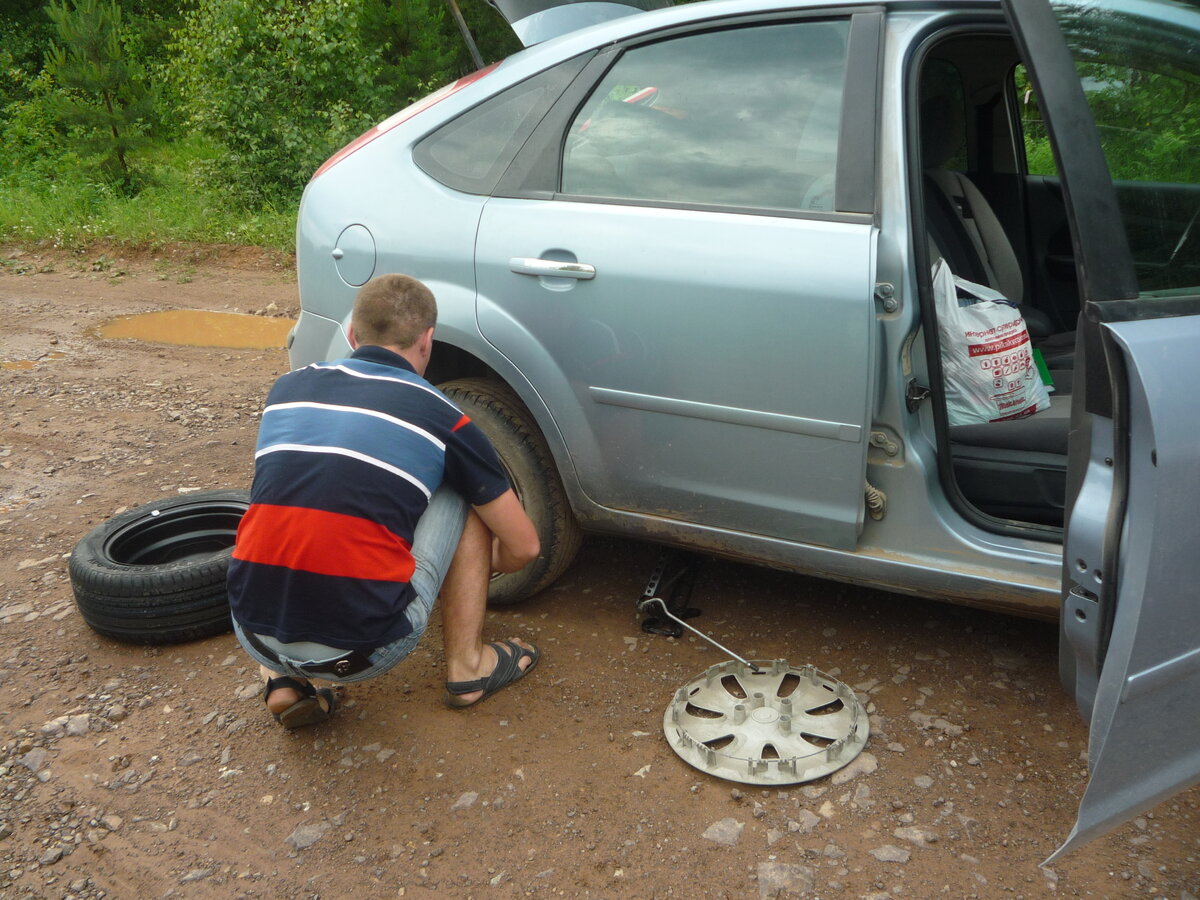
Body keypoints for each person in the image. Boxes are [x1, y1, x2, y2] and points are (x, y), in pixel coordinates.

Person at [226, 273, 542, 729]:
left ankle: (283, 678)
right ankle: (468, 669)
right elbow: (526, 547)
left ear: (353, 334)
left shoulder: (289, 389)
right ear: (427, 341)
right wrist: (474, 562)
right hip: (362, 653)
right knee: (463, 490)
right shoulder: (444, 417)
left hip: (252, 631)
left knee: (295, 492)